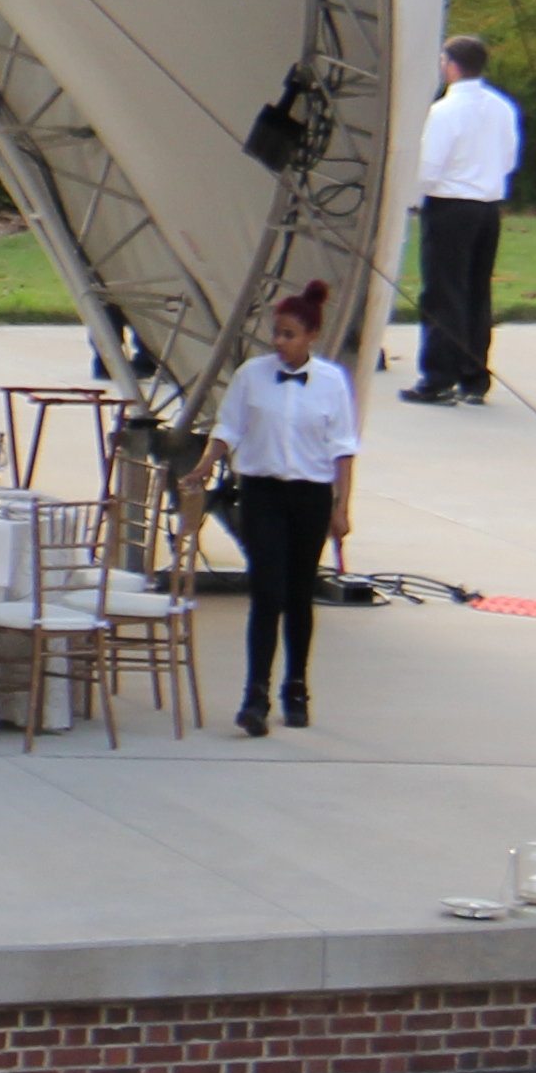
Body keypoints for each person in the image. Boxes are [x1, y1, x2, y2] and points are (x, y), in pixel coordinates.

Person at [207, 282, 359, 737]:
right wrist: (203, 465)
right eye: (277, 333)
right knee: (266, 592)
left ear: (311, 335)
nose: (279, 342)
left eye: (290, 334)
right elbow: (229, 427)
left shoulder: (332, 381)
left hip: (309, 496)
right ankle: (255, 692)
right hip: (262, 492)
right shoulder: (253, 375)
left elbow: (343, 449)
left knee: (297, 594)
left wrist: (341, 507)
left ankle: (296, 686)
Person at [406, 37, 518, 406]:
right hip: (486, 206)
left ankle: (438, 377)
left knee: (443, 292)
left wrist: (415, 194)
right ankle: (473, 376)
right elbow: (508, 159)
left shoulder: (445, 110)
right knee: (475, 290)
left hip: (451, 204)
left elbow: (430, 165)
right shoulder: (502, 107)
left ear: (451, 65)